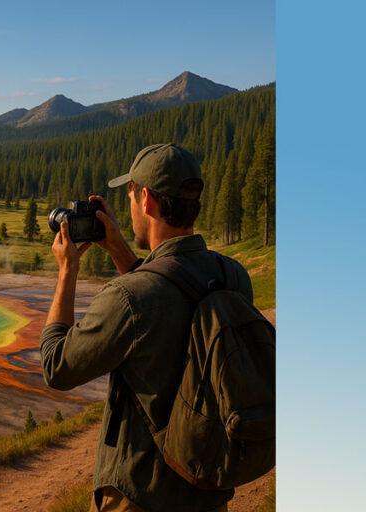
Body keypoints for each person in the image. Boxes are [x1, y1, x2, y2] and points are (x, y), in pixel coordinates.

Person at [40, 143, 254, 512]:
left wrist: (67, 272)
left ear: (147, 200)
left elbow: (56, 367)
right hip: (208, 489)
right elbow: (171, 294)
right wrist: (120, 250)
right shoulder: (232, 276)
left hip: (140, 493)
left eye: (130, 197)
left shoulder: (128, 297)